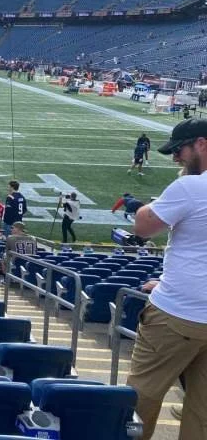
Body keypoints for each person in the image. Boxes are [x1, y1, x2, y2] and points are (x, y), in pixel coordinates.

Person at [126, 118, 207, 440]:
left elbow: (143, 227)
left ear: (201, 144)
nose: (176, 158)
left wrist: (146, 205)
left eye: (179, 150)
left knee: (141, 398)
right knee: (202, 412)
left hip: (178, 315)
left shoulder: (191, 186)